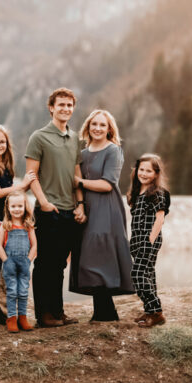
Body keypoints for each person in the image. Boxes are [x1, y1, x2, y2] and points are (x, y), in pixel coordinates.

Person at [25, 87, 84, 327]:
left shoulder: (75, 138)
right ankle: (44, 315)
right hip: (49, 210)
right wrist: (44, 202)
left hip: (70, 210)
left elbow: (77, 174)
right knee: (44, 263)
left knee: (60, 263)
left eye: (69, 105)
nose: (65, 109)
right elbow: (31, 174)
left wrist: (80, 203)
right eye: (61, 105)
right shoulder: (39, 137)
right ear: (51, 108)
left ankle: (58, 312)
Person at [72, 109, 134, 321]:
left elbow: (107, 184)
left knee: (101, 251)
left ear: (109, 129)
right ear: (87, 127)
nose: (97, 128)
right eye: (94, 124)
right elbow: (76, 181)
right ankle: (103, 311)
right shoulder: (83, 152)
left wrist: (79, 182)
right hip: (87, 206)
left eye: (102, 125)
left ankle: (106, 311)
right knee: (90, 254)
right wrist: (79, 204)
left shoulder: (113, 150)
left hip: (106, 207)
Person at [0, 125, 36, 324]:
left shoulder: (7, 165)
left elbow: (11, 193)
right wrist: (21, 184)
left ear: (6, 144)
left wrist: (27, 184)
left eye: (1, 141)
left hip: (5, 217)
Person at [126, 154, 170, 328]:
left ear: (156, 173)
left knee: (137, 274)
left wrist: (149, 240)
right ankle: (150, 310)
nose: (143, 173)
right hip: (137, 240)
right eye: (141, 169)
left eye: (148, 171)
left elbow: (160, 219)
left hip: (148, 239)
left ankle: (157, 311)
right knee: (148, 274)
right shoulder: (137, 193)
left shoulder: (157, 193)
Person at [0, 191, 37, 333]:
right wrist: (6, 261)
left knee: (23, 291)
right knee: (12, 291)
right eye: (13, 206)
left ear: (25, 206)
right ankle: (11, 318)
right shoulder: (5, 225)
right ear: (8, 207)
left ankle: (22, 318)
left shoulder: (28, 225)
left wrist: (28, 260)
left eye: (20, 205)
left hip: (24, 263)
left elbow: (34, 246)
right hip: (10, 263)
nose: (17, 209)